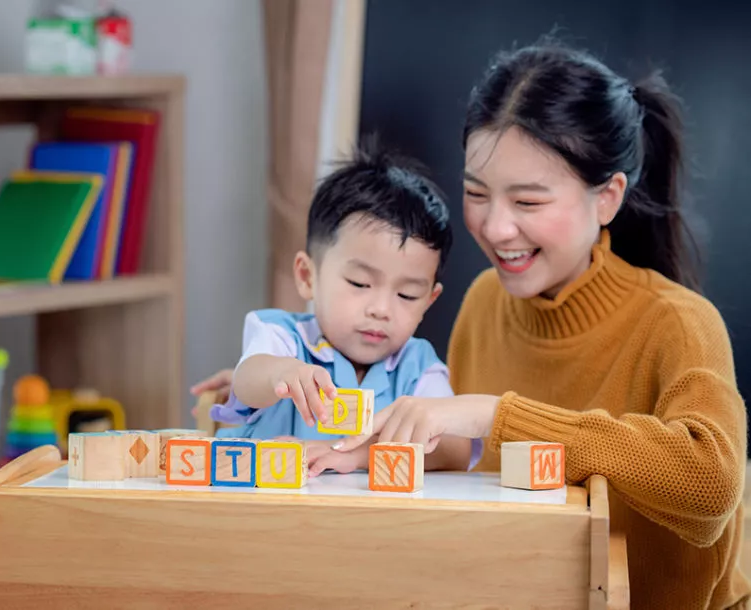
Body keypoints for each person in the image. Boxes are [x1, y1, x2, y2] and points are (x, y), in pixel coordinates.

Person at [191, 40, 749, 610]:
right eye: (477, 193)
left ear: (606, 198)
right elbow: (444, 456)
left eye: (528, 202)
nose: (497, 227)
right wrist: (273, 394)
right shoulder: (486, 302)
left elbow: (711, 484)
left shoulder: (678, 322)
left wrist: (494, 414)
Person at [206, 141, 476, 470]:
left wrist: (353, 455)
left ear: (428, 302)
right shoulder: (285, 337)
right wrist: (284, 373)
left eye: (406, 295)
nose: (381, 309)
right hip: (271, 515)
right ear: (307, 276)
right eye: (360, 284)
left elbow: (454, 449)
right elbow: (247, 381)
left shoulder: (417, 368)